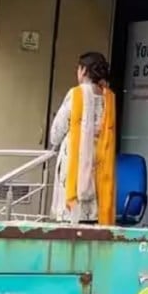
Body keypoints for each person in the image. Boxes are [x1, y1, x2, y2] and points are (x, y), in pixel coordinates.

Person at [50, 52, 117, 224]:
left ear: (84, 70)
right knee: (91, 223)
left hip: (75, 163)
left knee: (71, 223)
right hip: (99, 164)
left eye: (79, 69)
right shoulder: (109, 98)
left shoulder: (77, 94)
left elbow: (56, 133)